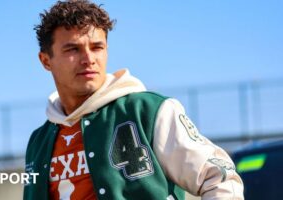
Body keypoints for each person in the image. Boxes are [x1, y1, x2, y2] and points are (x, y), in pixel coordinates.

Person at [24, 0, 244, 199]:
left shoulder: (149, 111)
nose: (89, 59)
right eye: (73, 49)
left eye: (97, 47)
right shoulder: (38, 142)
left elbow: (220, 179)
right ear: (46, 61)